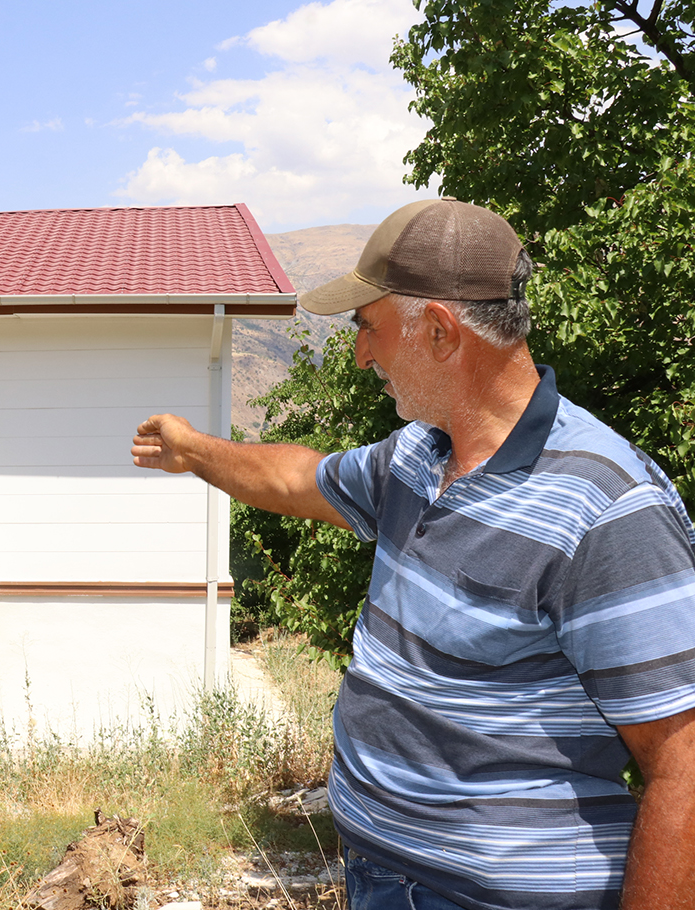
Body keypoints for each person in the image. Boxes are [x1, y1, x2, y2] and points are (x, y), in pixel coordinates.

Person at [132, 199, 695, 910]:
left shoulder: (607, 507)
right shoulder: (418, 457)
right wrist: (193, 452)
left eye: (369, 329)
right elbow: (298, 477)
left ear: (438, 331)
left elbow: (683, 768)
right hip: (378, 874)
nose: (362, 353)